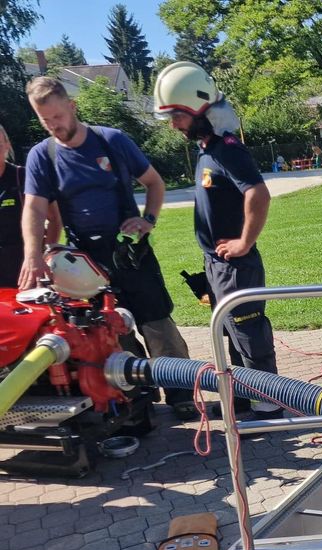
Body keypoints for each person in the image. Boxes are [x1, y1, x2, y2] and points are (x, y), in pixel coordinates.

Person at [17, 76, 197, 420]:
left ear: (72, 106)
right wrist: (33, 253)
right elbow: (34, 208)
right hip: (85, 264)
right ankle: (137, 397)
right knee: (112, 332)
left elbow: (154, 182)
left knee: (158, 325)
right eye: (45, 120)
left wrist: (149, 219)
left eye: (58, 116)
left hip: (131, 253)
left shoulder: (111, 141)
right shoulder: (43, 156)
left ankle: (181, 393)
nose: (54, 125)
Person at [153, 61, 280, 419]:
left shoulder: (228, 150)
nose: (174, 124)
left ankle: (268, 403)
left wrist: (243, 242)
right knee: (230, 333)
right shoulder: (207, 150)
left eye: (177, 115)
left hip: (236, 264)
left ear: (198, 107)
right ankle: (242, 396)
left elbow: (258, 193)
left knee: (248, 332)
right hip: (217, 264)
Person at [0, 124, 60, 287]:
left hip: (24, 272)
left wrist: (45, 257)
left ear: (7, 145)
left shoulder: (24, 177)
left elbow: (55, 219)